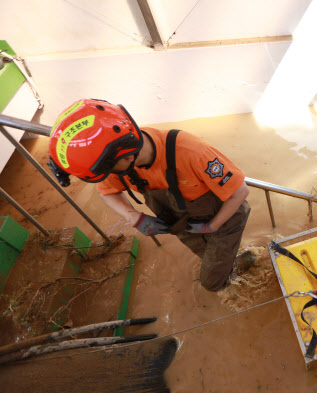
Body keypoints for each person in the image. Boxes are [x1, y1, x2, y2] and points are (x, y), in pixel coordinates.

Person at [47, 98, 253, 292]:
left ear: (128, 156)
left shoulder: (190, 151)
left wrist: (212, 226)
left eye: (108, 172)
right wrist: (133, 216)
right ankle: (229, 263)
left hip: (224, 219)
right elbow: (106, 193)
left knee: (211, 283)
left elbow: (240, 192)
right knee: (210, 258)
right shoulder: (117, 158)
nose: (107, 177)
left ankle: (244, 264)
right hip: (183, 222)